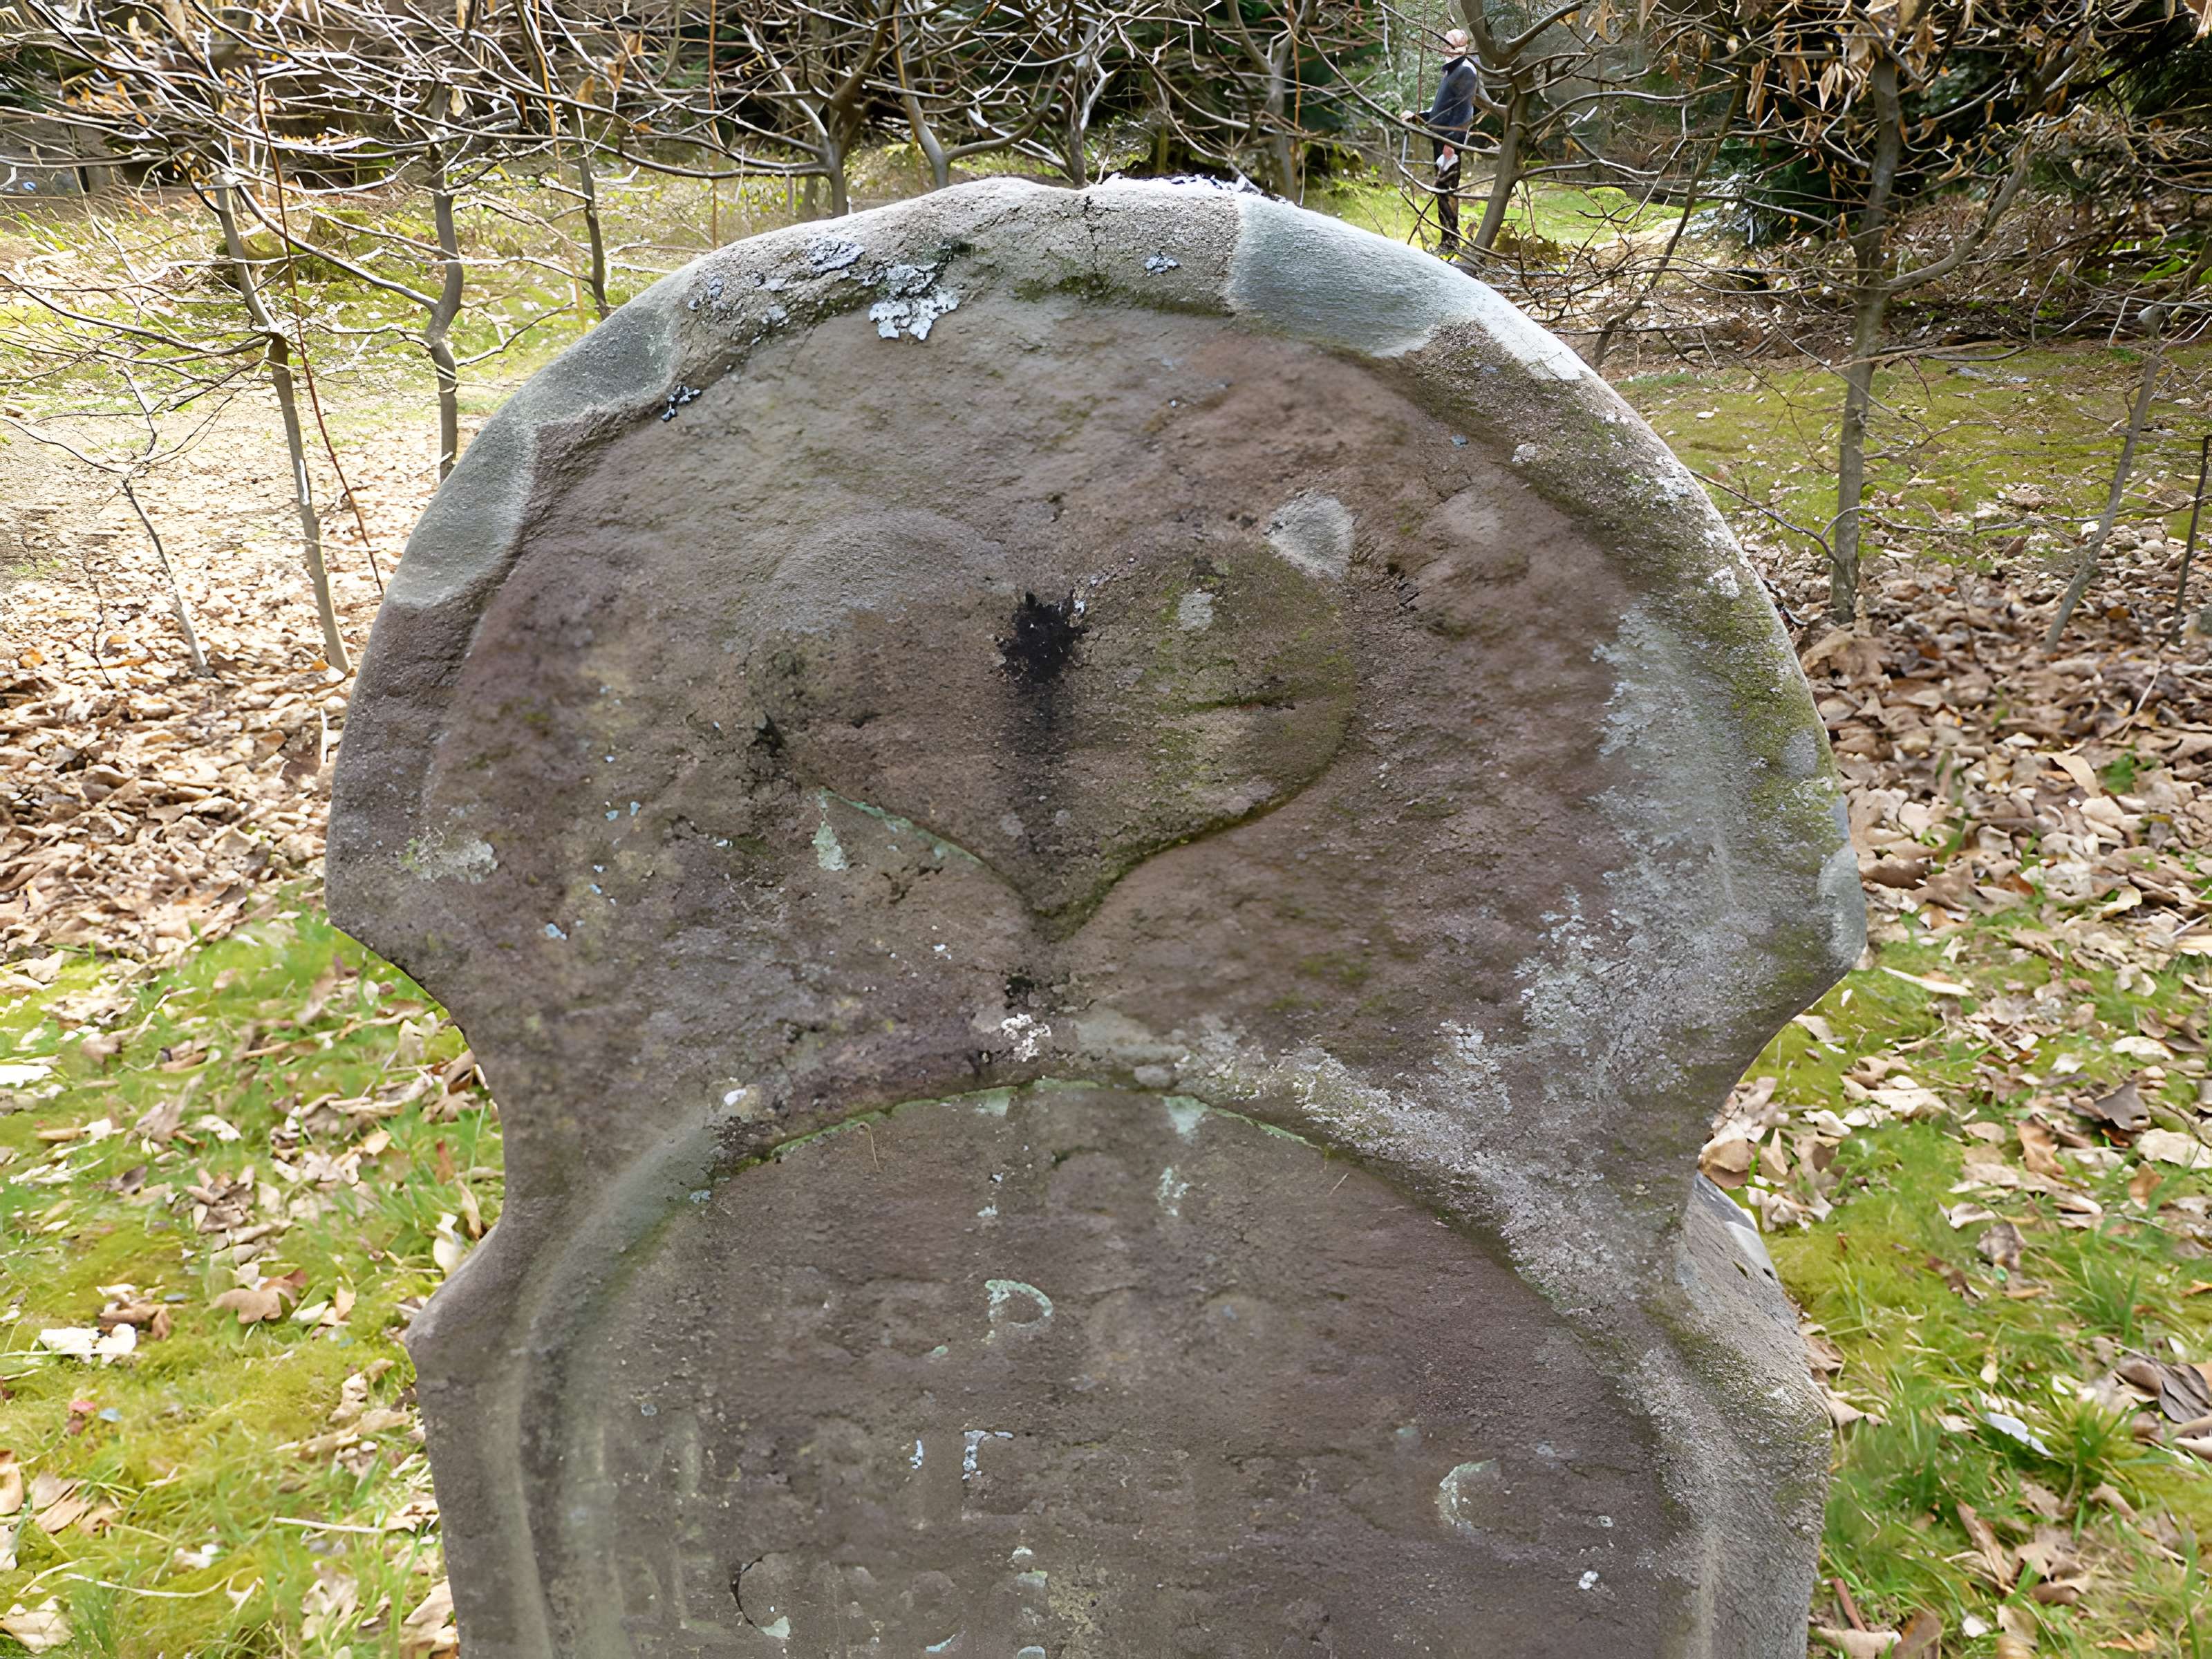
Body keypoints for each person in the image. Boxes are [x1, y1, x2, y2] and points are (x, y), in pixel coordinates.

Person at [1417, 30, 1479, 256]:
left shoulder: (1465, 70)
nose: (1444, 48)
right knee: (1442, 189)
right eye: (1444, 43)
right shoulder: (1454, 70)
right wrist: (1420, 116)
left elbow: (1463, 113)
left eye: (1449, 44)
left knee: (1447, 189)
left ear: (1461, 47)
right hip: (1442, 139)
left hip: (1449, 143)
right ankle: (1448, 240)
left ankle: (1451, 242)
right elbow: (1443, 109)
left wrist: (1450, 144)